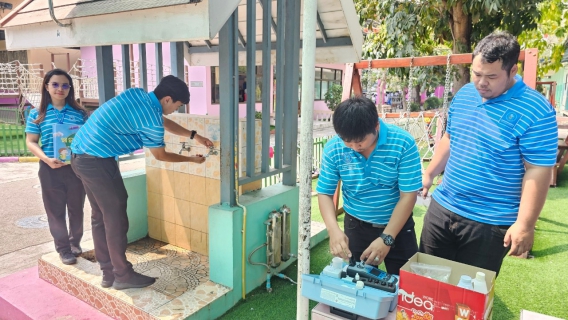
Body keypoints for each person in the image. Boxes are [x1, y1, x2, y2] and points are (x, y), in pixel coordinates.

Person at [420, 32, 558, 275]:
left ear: (512, 70)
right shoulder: (465, 94)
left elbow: (538, 169)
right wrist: (429, 174)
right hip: (443, 206)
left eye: (491, 76)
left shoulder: (536, 109)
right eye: (477, 74)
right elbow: (450, 138)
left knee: (470, 294)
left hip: (490, 220)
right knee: (427, 278)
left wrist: (525, 225)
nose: (481, 82)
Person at [70, 75, 214, 290]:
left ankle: (108, 272)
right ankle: (122, 275)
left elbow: (160, 120)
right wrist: (191, 159)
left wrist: (193, 135)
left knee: (101, 216)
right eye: (178, 105)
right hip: (97, 161)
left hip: (80, 156)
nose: (177, 109)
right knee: (115, 217)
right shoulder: (152, 119)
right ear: (167, 99)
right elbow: (161, 155)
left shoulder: (137, 94)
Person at [316, 97, 422, 275]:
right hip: (356, 226)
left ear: (376, 126)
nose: (353, 147)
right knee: (357, 281)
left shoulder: (403, 143)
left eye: (359, 142)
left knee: (405, 285)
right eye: (347, 141)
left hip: (398, 225)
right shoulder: (334, 148)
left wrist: (387, 238)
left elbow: (408, 196)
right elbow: (325, 192)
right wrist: (333, 230)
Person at [25, 69, 88, 265]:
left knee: (77, 209)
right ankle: (63, 249)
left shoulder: (80, 114)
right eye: (55, 84)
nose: (60, 89)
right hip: (50, 169)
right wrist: (46, 159)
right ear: (46, 87)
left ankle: (75, 243)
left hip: (76, 169)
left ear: (70, 88)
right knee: (55, 211)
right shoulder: (37, 113)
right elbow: (31, 141)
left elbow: (87, 139)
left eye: (65, 85)